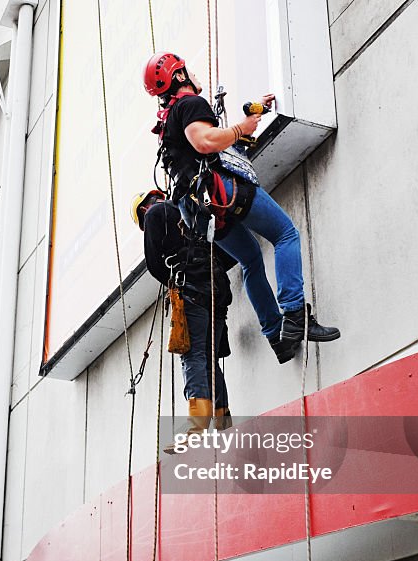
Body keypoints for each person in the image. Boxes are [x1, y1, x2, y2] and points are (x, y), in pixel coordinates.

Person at [143, 52, 341, 364]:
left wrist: (246, 125)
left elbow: (204, 151)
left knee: (250, 259)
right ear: (179, 77)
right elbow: (205, 142)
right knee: (285, 234)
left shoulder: (169, 122)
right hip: (223, 192)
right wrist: (241, 127)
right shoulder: (190, 104)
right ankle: (294, 315)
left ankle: (276, 335)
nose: (194, 74)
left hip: (200, 211)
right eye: (188, 70)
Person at [133, 189, 234, 439]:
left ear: (143, 211)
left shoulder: (155, 213)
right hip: (218, 290)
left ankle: (198, 420)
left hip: (193, 291)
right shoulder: (191, 207)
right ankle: (222, 417)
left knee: (193, 355)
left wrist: (175, 280)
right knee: (209, 357)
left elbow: (155, 263)